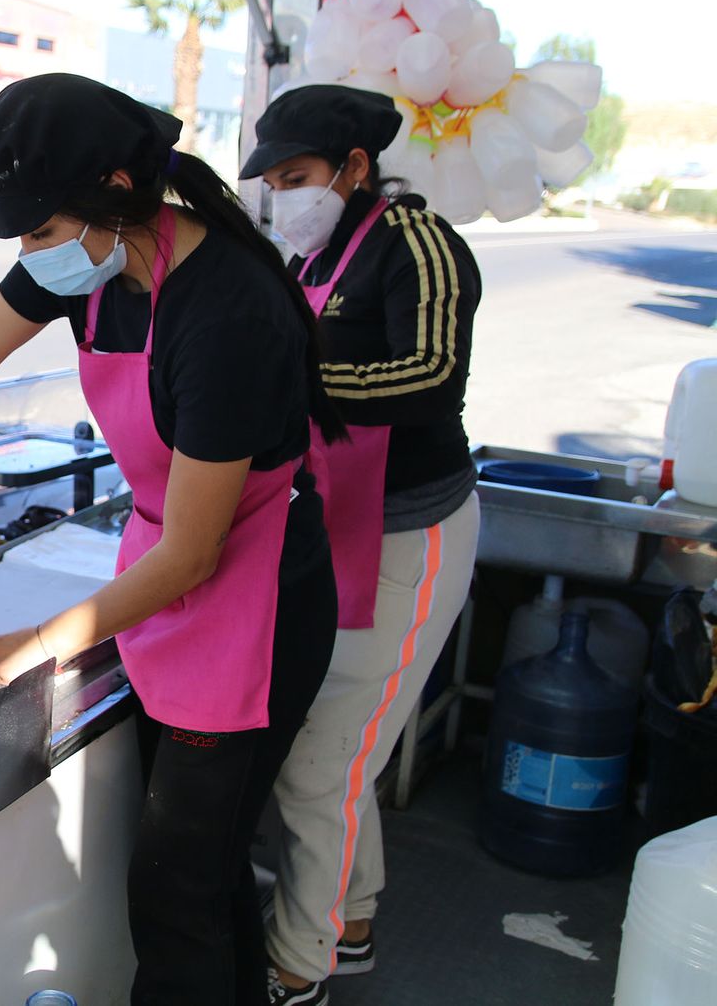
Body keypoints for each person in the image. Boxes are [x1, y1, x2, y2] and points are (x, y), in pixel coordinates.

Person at [0, 73, 341, 1006]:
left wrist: (42, 642)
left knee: (176, 886)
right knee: (203, 872)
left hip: (255, 602)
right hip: (164, 575)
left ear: (118, 190)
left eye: (39, 231)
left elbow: (195, 555)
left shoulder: (227, 313)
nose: (27, 255)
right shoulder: (83, 257)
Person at [241, 85, 483, 1006]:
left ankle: (298, 964)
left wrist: (296, 380)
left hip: (410, 536)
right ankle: (352, 919)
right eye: (272, 183)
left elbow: (432, 375)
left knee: (320, 763)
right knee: (339, 745)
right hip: (333, 526)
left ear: (353, 167)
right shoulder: (313, 254)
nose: (284, 198)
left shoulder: (418, 243)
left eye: (297, 177)